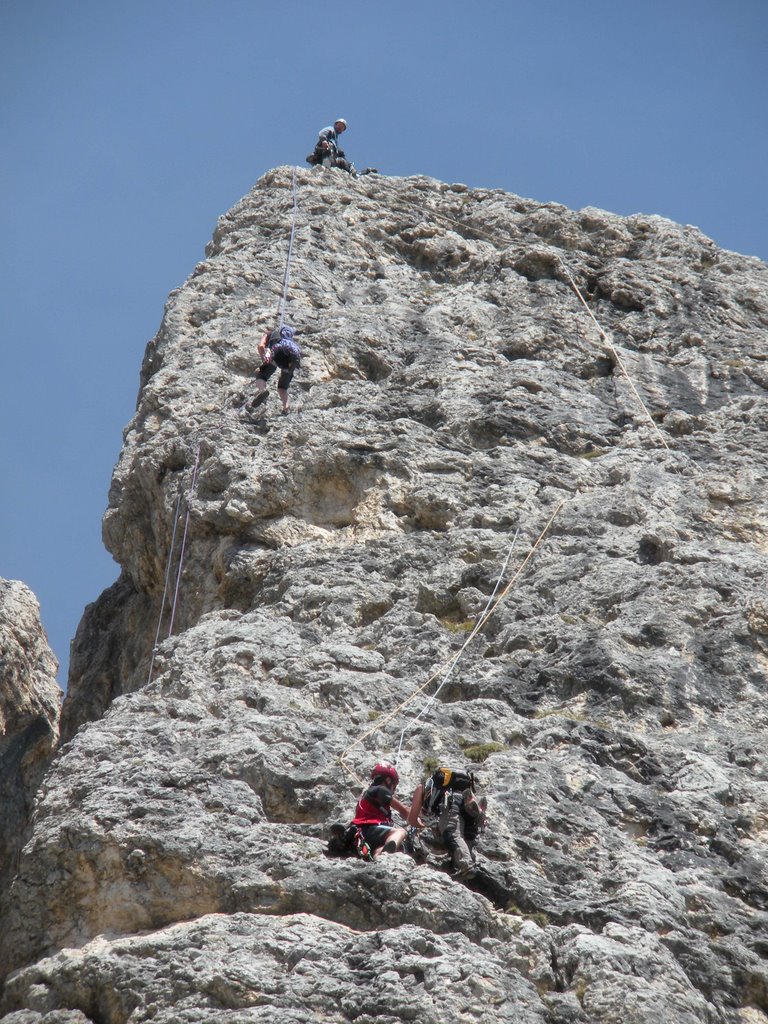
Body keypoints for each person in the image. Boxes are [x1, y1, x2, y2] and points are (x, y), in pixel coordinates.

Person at [408, 766, 487, 880]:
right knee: (467, 834)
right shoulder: (447, 785)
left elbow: (412, 820)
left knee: (452, 833)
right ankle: (474, 810)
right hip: (463, 801)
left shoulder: (422, 787)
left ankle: (466, 865)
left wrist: (423, 825)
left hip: (450, 803)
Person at [350, 760, 412, 859]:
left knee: (379, 848)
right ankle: (387, 854)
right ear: (388, 780)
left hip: (361, 834)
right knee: (400, 832)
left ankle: (379, 857)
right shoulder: (380, 790)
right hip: (371, 829)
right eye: (393, 785)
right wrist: (420, 817)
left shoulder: (364, 796)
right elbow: (404, 810)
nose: (393, 789)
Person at [246, 324, 301, 416]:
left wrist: (264, 358)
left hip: (278, 352)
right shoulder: (291, 342)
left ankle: (262, 391)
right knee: (282, 388)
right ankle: (286, 408)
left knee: (262, 375)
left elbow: (260, 346)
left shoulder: (271, 334)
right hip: (294, 358)